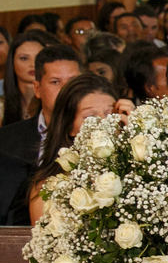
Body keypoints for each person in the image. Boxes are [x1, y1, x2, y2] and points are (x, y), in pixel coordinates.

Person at [0, 45, 83, 223]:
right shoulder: (6, 140)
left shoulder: (97, 138)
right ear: (37, 88)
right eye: (55, 82)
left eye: (73, 82)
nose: (66, 90)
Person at [27, 74, 125, 222]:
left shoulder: (135, 175)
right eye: (90, 116)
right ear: (69, 126)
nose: (103, 122)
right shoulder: (48, 187)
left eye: (110, 114)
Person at [3, 31, 58, 125]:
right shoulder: (2, 107)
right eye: (24, 58)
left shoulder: (57, 102)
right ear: (12, 62)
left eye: (38, 57)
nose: (32, 64)